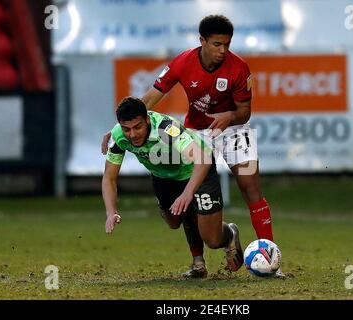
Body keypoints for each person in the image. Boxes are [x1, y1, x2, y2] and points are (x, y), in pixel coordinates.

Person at [102, 15, 284, 278]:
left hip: (234, 130)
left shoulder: (239, 68)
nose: (223, 51)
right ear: (202, 41)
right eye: (217, 44)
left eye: (227, 45)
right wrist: (118, 127)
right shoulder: (182, 62)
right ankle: (199, 262)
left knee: (251, 188)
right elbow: (150, 98)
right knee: (186, 194)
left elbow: (245, 112)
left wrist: (230, 116)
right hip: (199, 132)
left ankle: (271, 260)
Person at [102, 96, 243, 278]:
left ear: (147, 119)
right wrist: (111, 211)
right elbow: (109, 178)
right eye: (126, 129)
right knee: (173, 221)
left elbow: (202, 159)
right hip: (164, 176)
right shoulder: (118, 136)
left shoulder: (166, 129)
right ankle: (198, 264)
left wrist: (187, 193)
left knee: (213, 240)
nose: (133, 134)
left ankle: (230, 233)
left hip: (197, 168)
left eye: (138, 127)